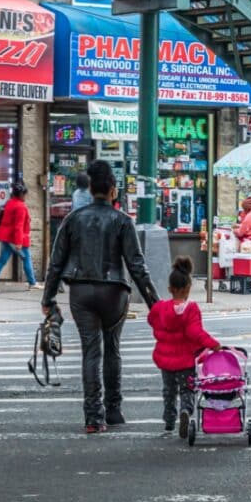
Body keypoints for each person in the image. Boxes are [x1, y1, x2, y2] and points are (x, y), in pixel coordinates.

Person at [41, 159, 161, 434]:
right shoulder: (122, 221)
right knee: (113, 349)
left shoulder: (72, 220)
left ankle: (94, 416)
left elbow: (56, 263)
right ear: (113, 191)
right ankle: (114, 409)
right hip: (114, 292)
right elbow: (137, 266)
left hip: (81, 292)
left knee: (91, 352)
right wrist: (155, 304)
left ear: (91, 188)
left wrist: (48, 299)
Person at [148, 256, 220, 437]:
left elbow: (152, 320)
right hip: (186, 361)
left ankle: (169, 421)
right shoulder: (191, 309)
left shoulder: (160, 308)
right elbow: (196, 333)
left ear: (170, 289)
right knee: (187, 389)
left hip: (165, 361)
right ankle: (186, 411)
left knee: (169, 391)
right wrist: (214, 345)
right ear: (188, 288)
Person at [0, 181, 41, 293]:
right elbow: (18, 226)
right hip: (15, 239)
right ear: (20, 195)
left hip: (5, 237)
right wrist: (19, 242)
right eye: (25, 194)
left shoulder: (9, 203)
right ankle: (32, 283)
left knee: (2, 261)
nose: (26, 196)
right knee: (26, 258)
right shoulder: (21, 207)